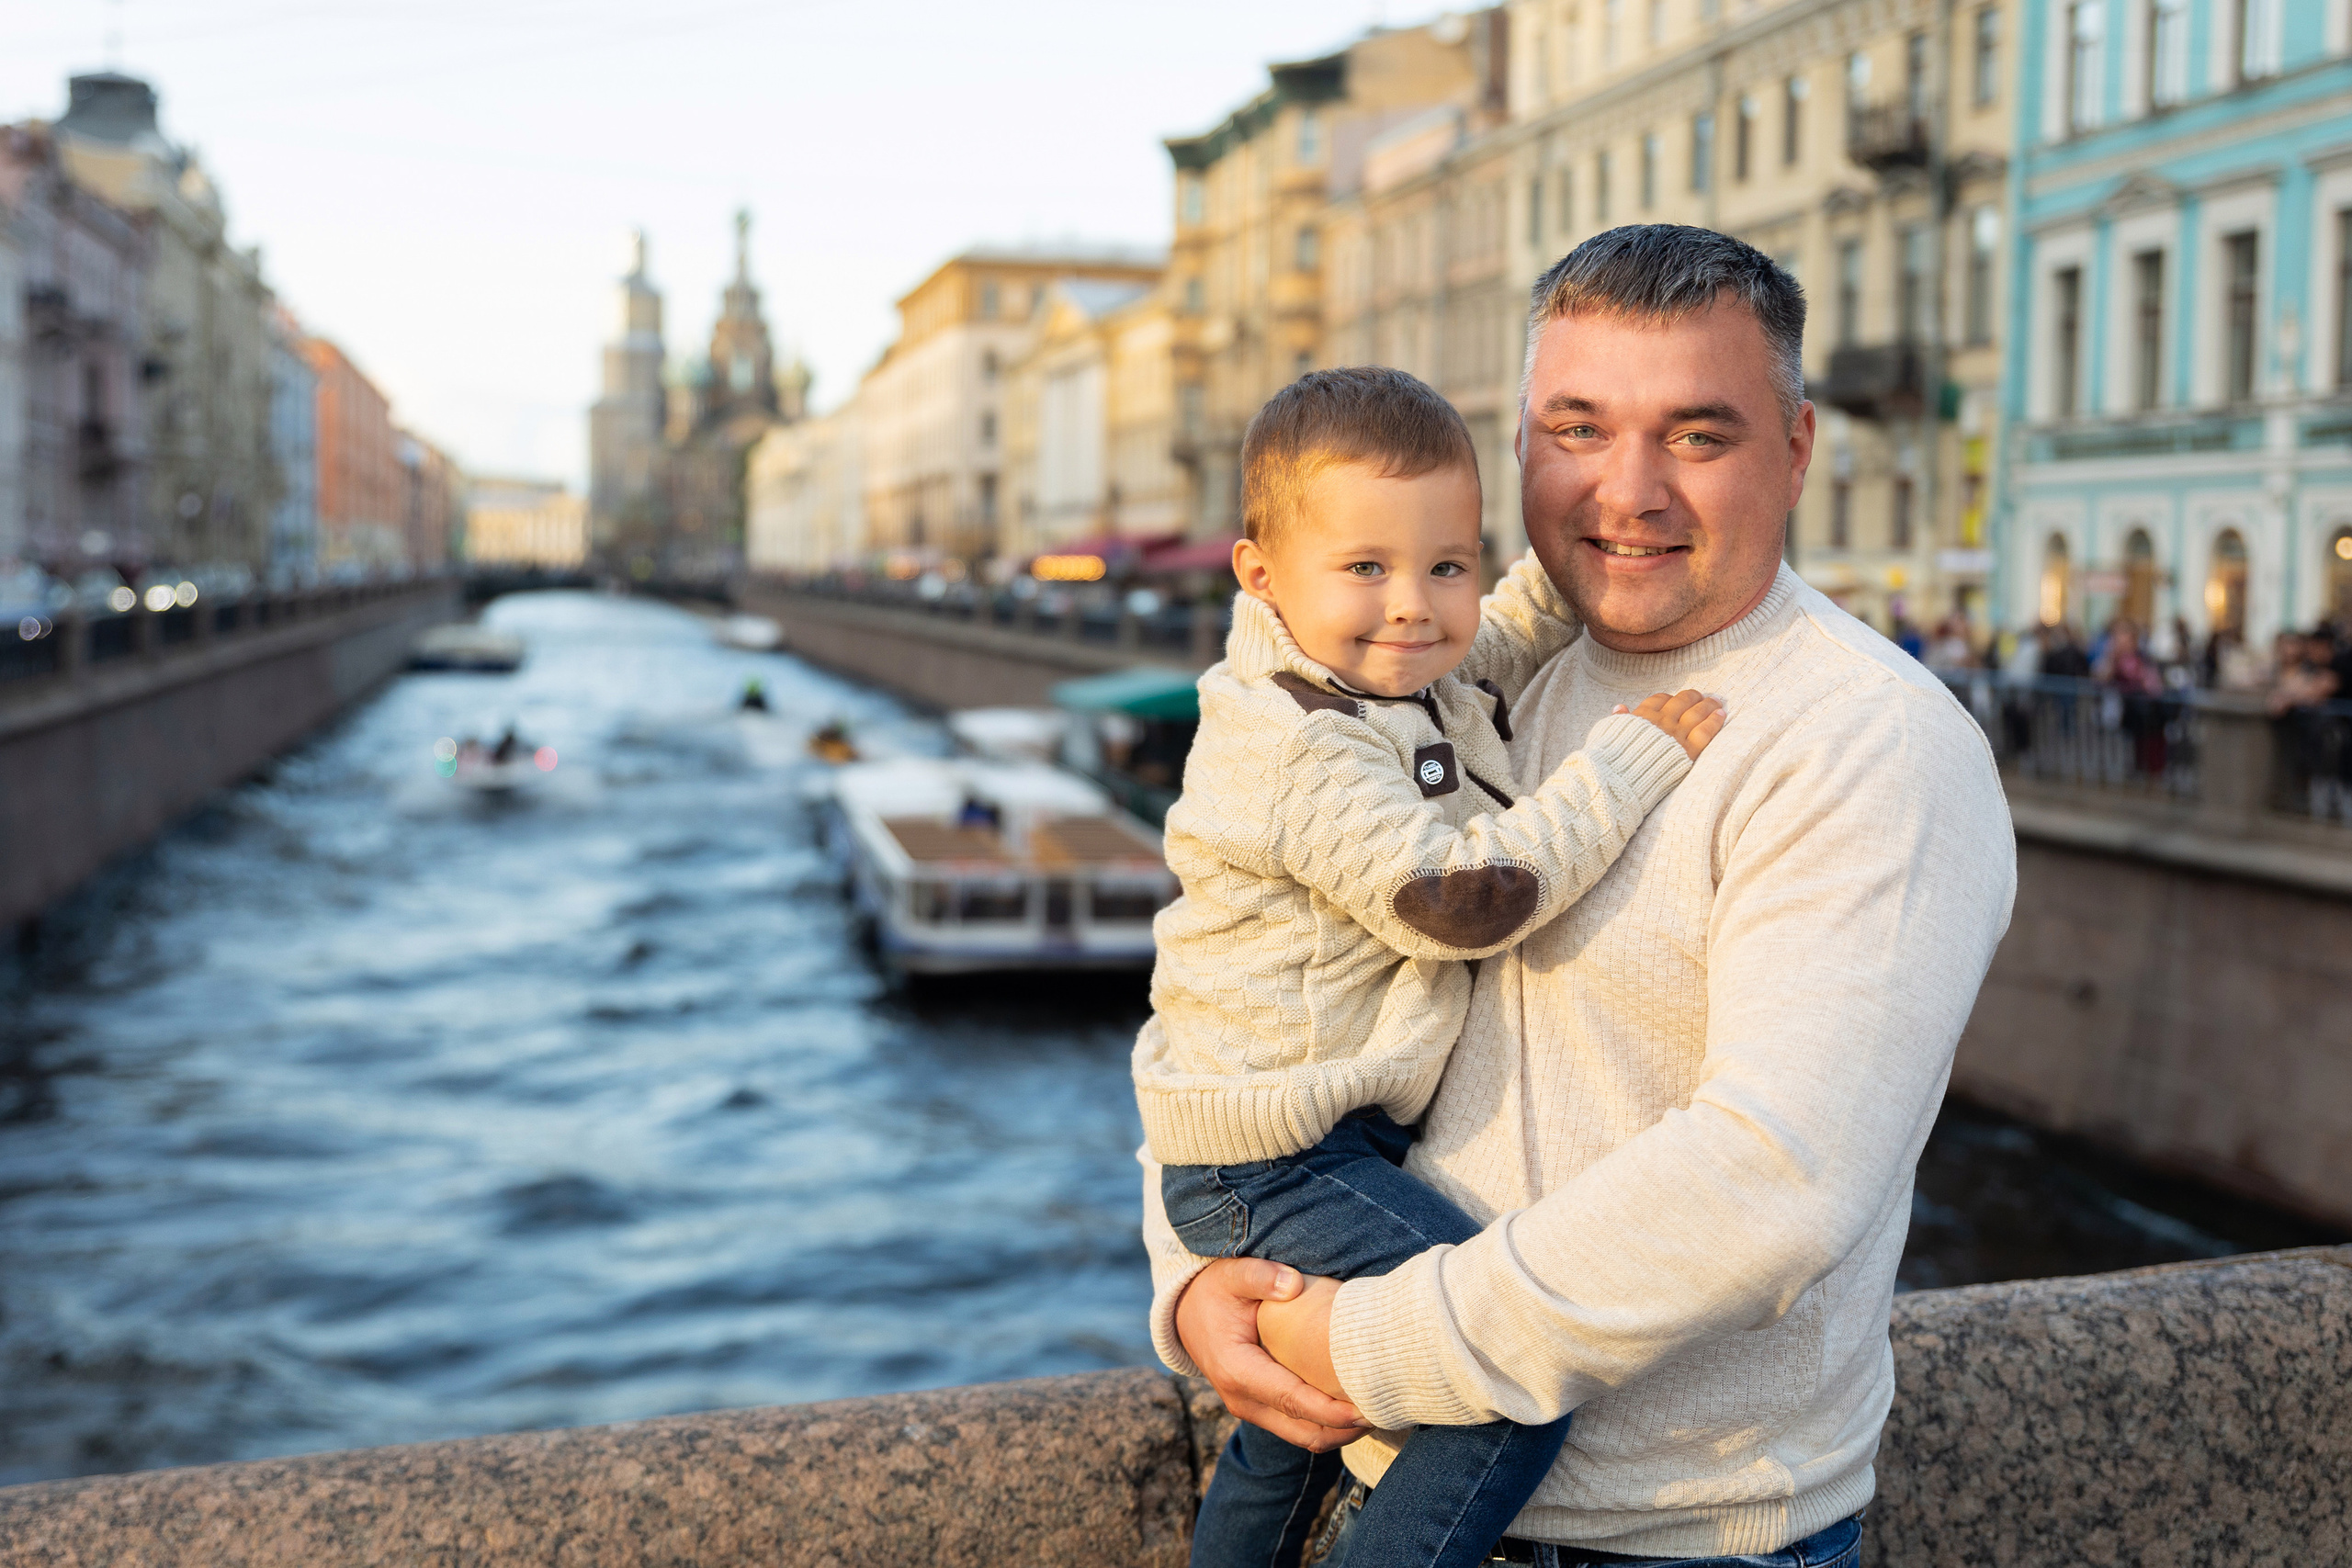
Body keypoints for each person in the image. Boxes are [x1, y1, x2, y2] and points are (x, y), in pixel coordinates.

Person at [1145, 226, 2014, 1567]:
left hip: (1676, 1541)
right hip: (1389, 1488)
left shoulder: (1869, 740)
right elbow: (1233, 987)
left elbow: (1770, 1182)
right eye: (1580, 426)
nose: (1631, 489)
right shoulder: (1443, 685)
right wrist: (1200, 1274)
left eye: (1700, 436)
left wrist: (1362, 1341)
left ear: (1797, 448)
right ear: (1521, 450)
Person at [1136, 366, 1724, 1568]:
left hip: (1279, 1146)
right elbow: (1458, 904)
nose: (1412, 608)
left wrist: (1585, 550)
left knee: (1290, 1430)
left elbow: (1496, 638)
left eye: (1444, 566)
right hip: (1277, 1163)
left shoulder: (1384, 678)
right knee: (1501, 1378)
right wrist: (1620, 770)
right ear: (1261, 575)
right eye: (1366, 569)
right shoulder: (1299, 744)